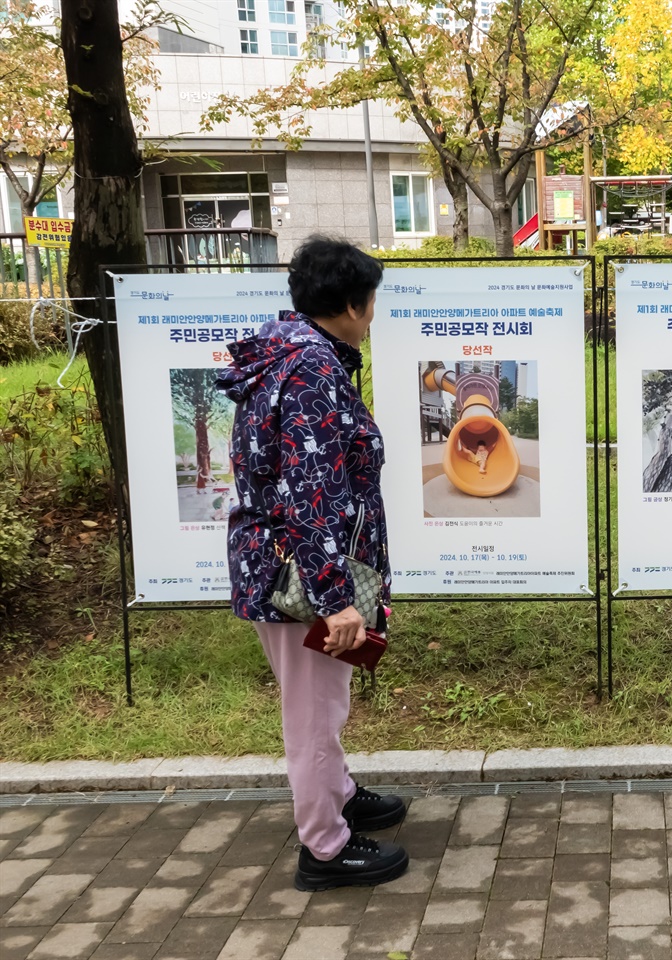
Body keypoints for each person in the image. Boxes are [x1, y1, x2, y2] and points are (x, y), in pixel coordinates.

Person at [218, 236, 408, 893]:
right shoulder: (311, 372)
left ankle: (338, 792)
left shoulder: (293, 354)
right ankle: (325, 847)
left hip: (284, 565)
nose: (373, 311)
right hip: (297, 577)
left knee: (325, 699)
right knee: (313, 713)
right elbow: (310, 492)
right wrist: (335, 597)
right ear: (354, 305)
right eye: (373, 299)